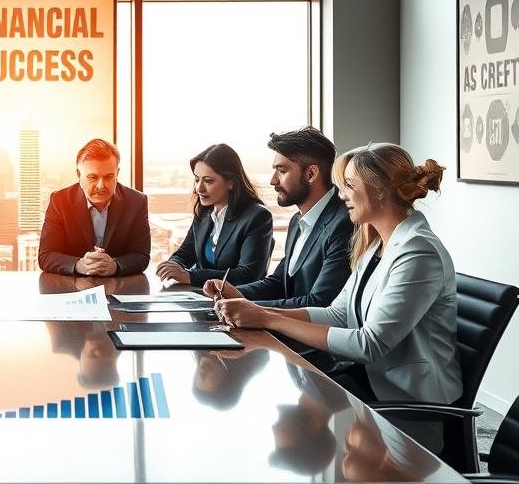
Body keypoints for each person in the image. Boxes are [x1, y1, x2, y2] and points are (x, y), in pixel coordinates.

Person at [216, 143, 462, 405]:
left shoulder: (418, 252)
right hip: (368, 380)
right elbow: (338, 314)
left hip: (408, 399)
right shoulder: (377, 245)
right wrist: (255, 312)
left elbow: (369, 345)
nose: (341, 195)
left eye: (349, 186)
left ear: (379, 190)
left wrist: (267, 319)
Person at [204, 127, 352, 308]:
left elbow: (320, 302)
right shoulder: (297, 222)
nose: (273, 180)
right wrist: (235, 292)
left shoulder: (344, 224)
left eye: (282, 171)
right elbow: (279, 283)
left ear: (311, 174)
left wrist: (251, 309)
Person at [156, 143, 272, 288]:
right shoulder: (204, 212)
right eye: (197, 179)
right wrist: (173, 266)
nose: (199, 188)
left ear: (231, 182)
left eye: (208, 181)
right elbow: (184, 254)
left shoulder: (257, 216)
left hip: (237, 303)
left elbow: (248, 275)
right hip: (202, 298)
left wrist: (189, 276)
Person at [38, 138, 150, 277]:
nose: (101, 185)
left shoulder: (137, 202)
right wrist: (79, 265)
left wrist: (115, 265)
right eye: (93, 177)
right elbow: (46, 255)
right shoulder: (60, 201)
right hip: (73, 290)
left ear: (117, 173)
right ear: (79, 175)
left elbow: (141, 255)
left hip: (119, 288)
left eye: (108, 177)